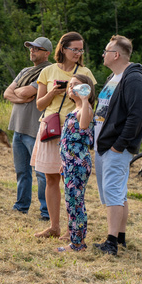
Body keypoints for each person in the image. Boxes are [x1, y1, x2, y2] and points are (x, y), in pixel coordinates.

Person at [33, 32, 97, 239]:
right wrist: (54, 92)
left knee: (70, 182)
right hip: (50, 129)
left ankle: (72, 229)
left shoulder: (85, 72)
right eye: (74, 49)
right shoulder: (48, 71)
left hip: (72, 133)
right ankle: (54, 226)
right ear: (63, 49)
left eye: (81, 49)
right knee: (50, 179)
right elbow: (39, 104)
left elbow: (90, 101)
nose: (78, 53)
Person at [93, 35, 142, 256]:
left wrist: (119, 145)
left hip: (115, 147)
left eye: (106, 51)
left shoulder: (133, 79)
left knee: (114, 193)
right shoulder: (113, 77)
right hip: (104, 145)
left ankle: (111, 242)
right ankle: (121, 237)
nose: (103, 55)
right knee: (117, 193)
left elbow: (136, 117)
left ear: (116, 54)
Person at [4, 37, 52, 220]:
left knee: (41, 173)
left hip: (35, 129)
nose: (32, 51)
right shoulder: (25, 71)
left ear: (46, 53)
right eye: (31, 48)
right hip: (18, 128)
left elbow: (25, 91)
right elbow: (7, 93)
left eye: (37, 49)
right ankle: (21, 206)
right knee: (22, 171)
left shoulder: (48, 71)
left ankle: (46, 212)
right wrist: (21, 99)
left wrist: (20, 94)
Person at [57, 75, 95, 252]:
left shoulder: (85, 109)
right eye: (70, 85)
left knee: (75, 202)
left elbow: (84, 124)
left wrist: (85, 99)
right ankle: (75, 240)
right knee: (70, 201)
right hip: (69, 163)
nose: (71, 88)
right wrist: (63, 162)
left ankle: (78, 243)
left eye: (76, 85)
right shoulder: (75, 108)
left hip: (78, 164)